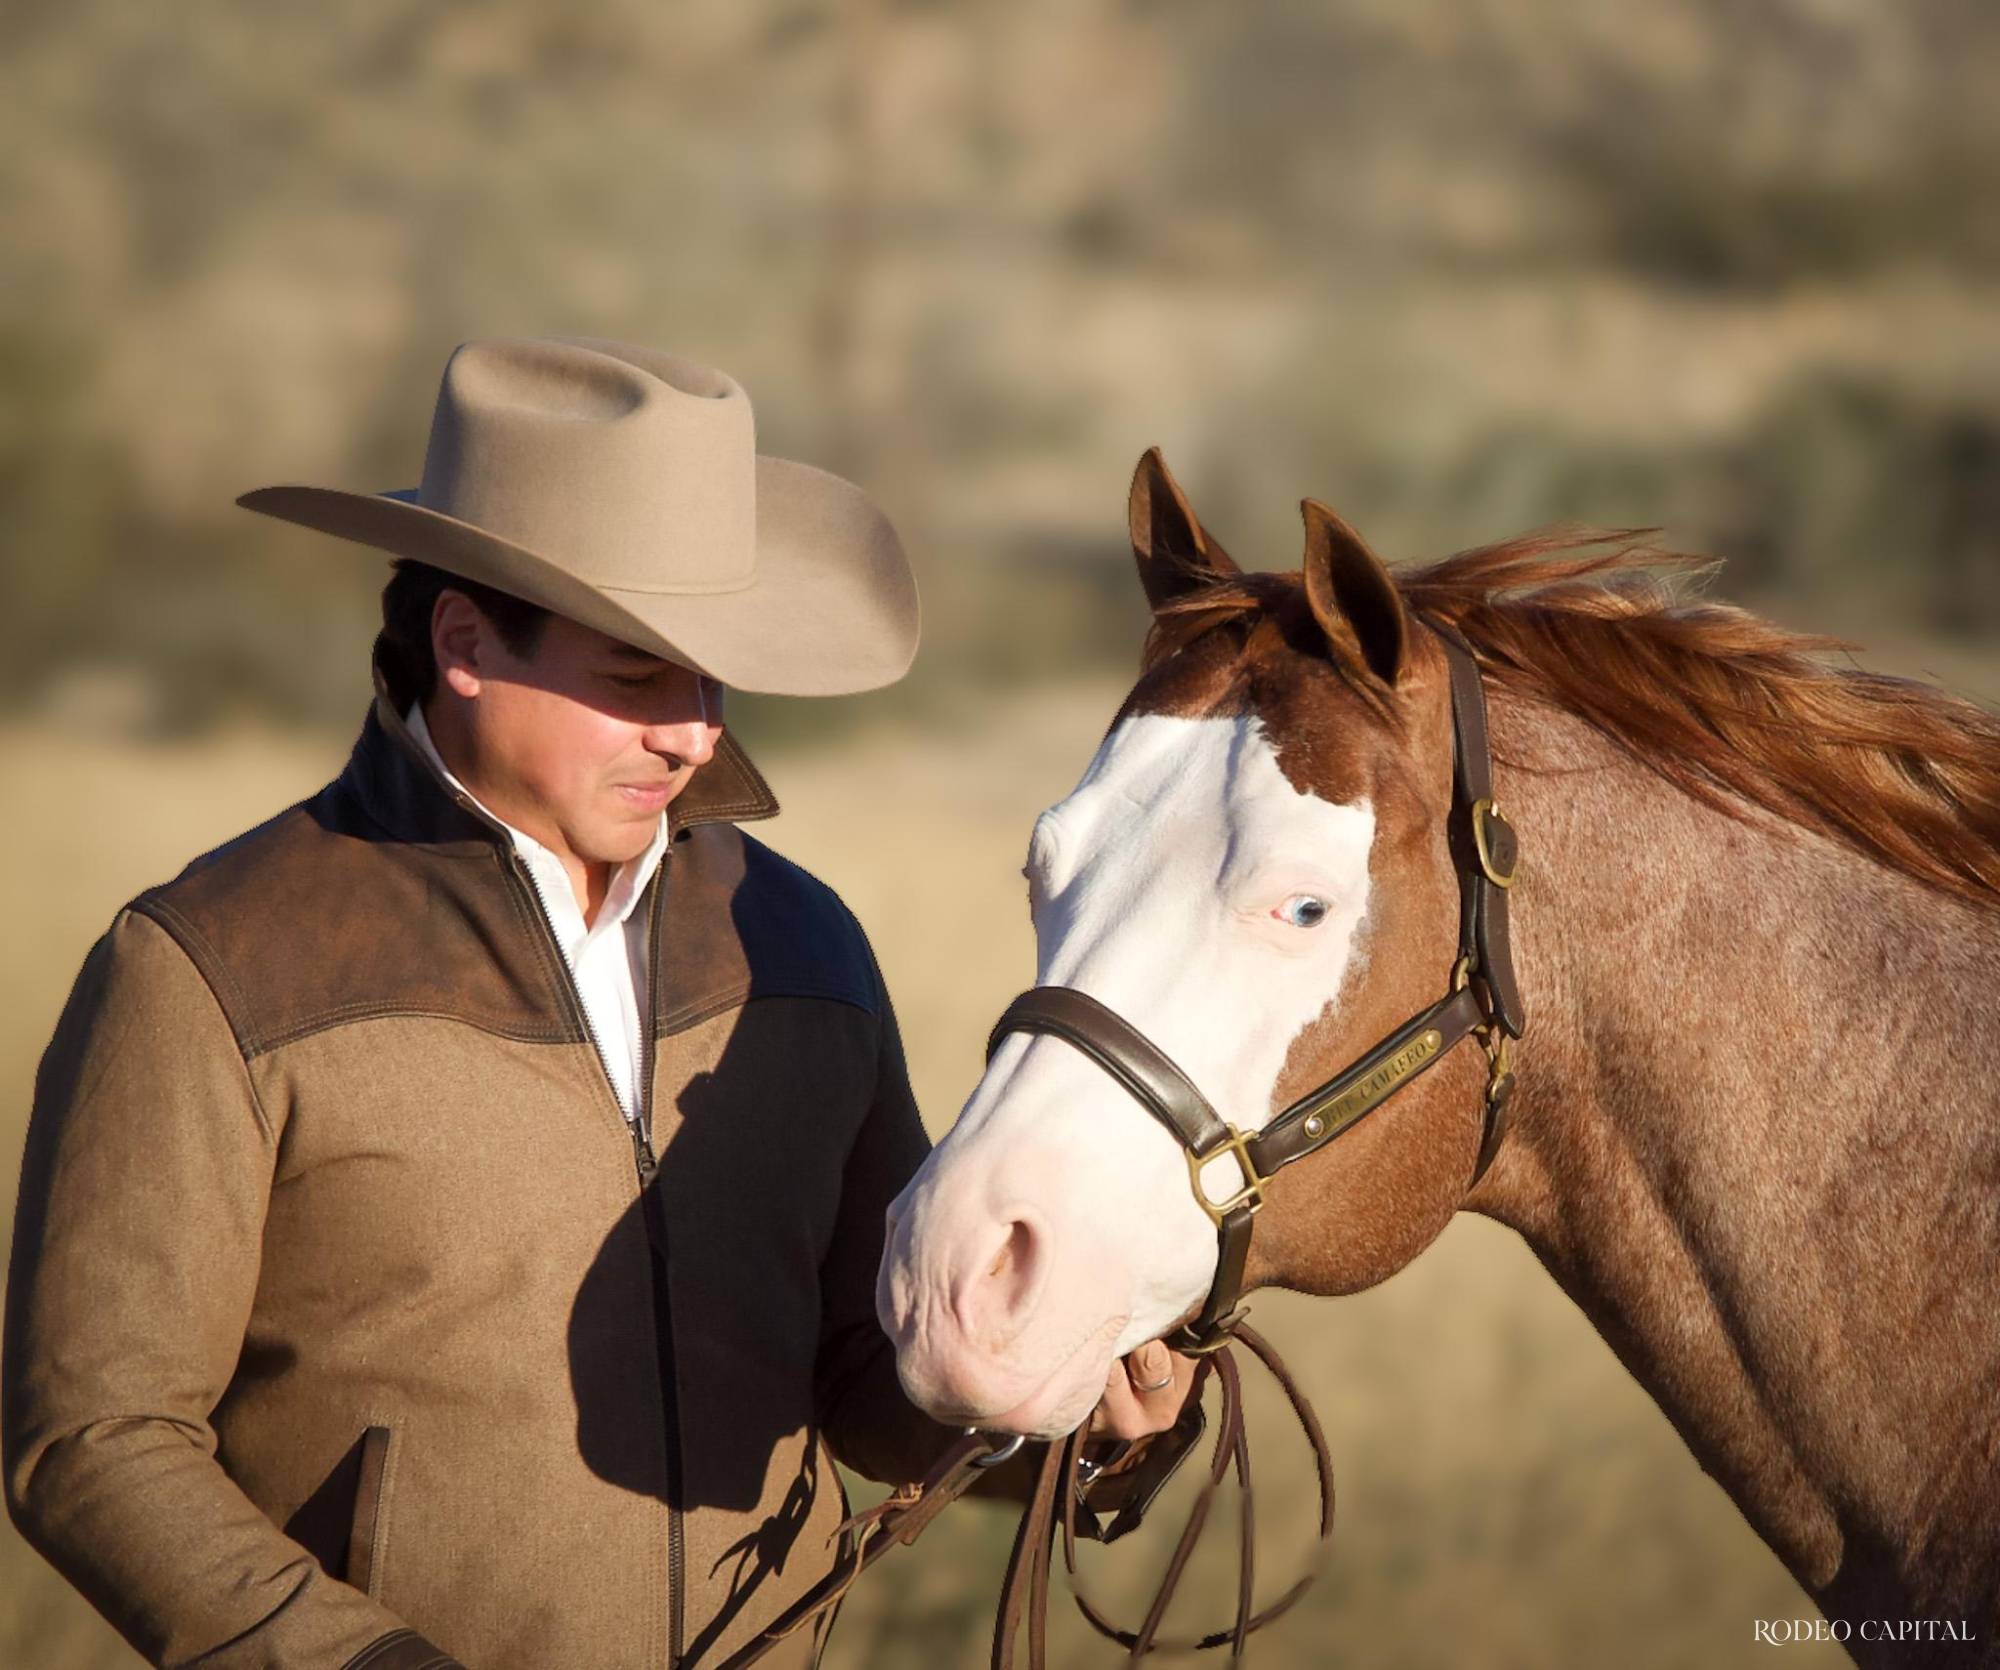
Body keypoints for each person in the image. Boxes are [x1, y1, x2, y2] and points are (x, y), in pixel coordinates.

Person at [3, 337, 1198, 1670]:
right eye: (638, 672)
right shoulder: (212, 967)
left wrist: (1074, 1426)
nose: (693, 732)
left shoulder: (802, 948)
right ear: (462, 641)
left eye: (713, 676)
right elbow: (94, 1437)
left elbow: (875, 1374)